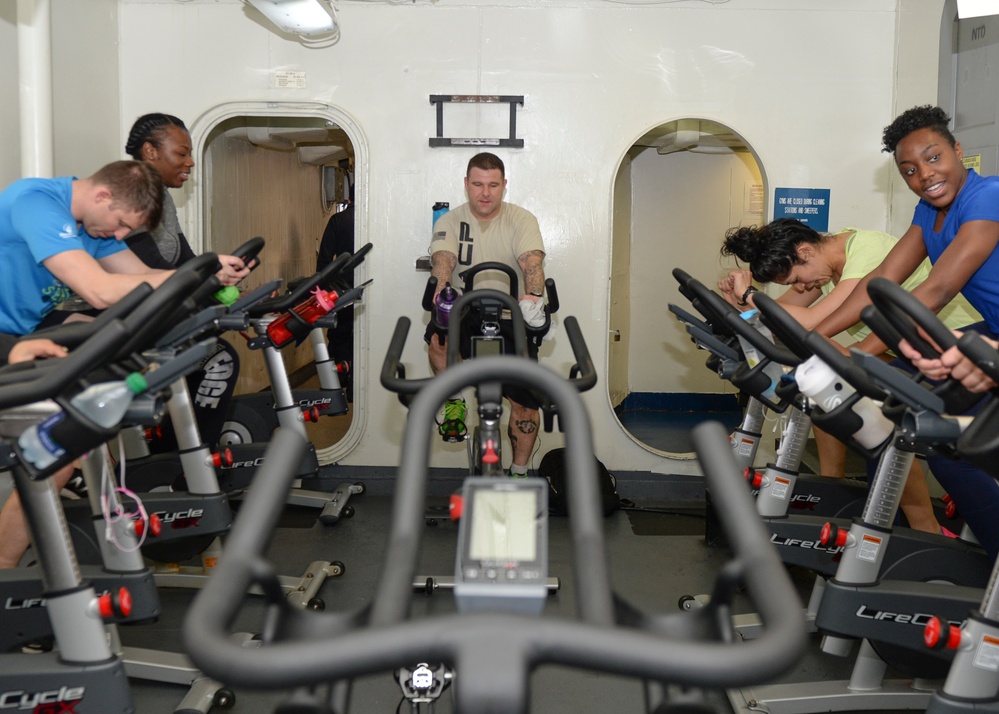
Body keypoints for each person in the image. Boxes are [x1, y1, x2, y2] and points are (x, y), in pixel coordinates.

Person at [812, 105, 999, 561]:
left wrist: (864, 353)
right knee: (920, 420)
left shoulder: (988, 195)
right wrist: (815, 338)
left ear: (958, 151)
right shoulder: (927, 211)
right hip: (990, 333)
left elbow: (936, 290)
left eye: (934, 158)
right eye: (910, 170)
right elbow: (880, 283)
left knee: (934, 420)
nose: (925, 176)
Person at [718, 218, 981, 535]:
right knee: (831, 388)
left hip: (961, 347)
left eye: (796, 279)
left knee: (885, 424)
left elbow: (811, 320)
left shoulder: (867, 251)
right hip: (912, 352)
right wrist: (740, 303)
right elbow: (776, 318)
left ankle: (926, 528)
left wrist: (751, 298)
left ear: (804, 251)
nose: (800, 288)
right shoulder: (821, 268)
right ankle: (835, 488)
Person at [123, 113, 251, 446]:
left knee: (215, 355)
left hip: (158, 310)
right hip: (136, 318)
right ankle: (183, 464)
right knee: (218, 359)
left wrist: (221, 278)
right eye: (182, 153)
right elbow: (146, 265)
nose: (190, 162)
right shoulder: (132, 190)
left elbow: (185, 258)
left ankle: (183, 459)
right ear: (150, 151)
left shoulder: (161, 197)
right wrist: (204, 280)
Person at [426, 152, 547, 477]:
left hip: (512, 318)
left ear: (504, 185)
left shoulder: (521, 219)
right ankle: (454, 399)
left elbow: (531, 262)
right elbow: (443, 260)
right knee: (437, 339)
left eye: (493, 185)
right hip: (467, 312)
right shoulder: (450, 221)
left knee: (525, 405)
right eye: (478, 184)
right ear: (466, 184)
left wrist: (533, 296)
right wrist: (442, 286)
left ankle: (519, 473)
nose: (485, 193)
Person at [317, 186, 355, 399]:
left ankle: (337, 383)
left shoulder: (338, 221)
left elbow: (324, 259)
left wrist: (321, 291)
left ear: (349, 198)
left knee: (339, 335)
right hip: (368, 287)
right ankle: (356, 387)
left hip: (341, 289)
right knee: (362, 339)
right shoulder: (376, 220)